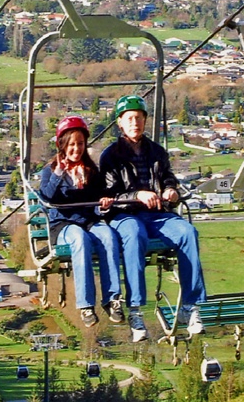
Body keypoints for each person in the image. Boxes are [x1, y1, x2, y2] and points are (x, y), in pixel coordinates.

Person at [100, 95, 207, 343]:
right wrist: (138, 195)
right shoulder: (111, 156)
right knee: (135, 236)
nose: (135, 123)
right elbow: (110, 194)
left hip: (157, 214)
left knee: (188, 233)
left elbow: (168, 178)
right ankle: (136, 311)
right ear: (120, 123)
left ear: (145, 121)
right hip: (125, 214)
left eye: (139, 118)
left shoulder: (157, 152)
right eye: (130, 119)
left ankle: (191, 307)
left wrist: (170, 190)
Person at [39, 115, 124, 327]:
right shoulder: (50, 171)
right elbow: (47, 197)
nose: (76, 149)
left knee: (108, 236)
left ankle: (112, 299)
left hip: (88, 221)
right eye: (71, 144)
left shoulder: (91, 172)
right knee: (79, 240)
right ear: (62, 146)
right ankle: (86, 305)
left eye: (80, 144)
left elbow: (96, 199)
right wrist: (60, 172)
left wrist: (102, 205)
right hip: (64, 225)